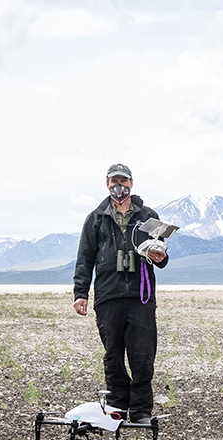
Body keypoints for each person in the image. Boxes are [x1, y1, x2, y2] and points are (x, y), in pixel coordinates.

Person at [73, 163, 169, 425]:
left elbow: (161, 254)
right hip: (108, 294)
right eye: (114, 182)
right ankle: (117, 404)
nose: (119, 186)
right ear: (107, 184)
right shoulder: (96, 218)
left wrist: (160, 257)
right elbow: (85, 257)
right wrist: (80, 293)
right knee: (112, 353)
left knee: (142, 353)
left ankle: (140, 410)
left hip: (141, 295)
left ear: (131, 183)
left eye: (123, 181)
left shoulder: (148, 216)